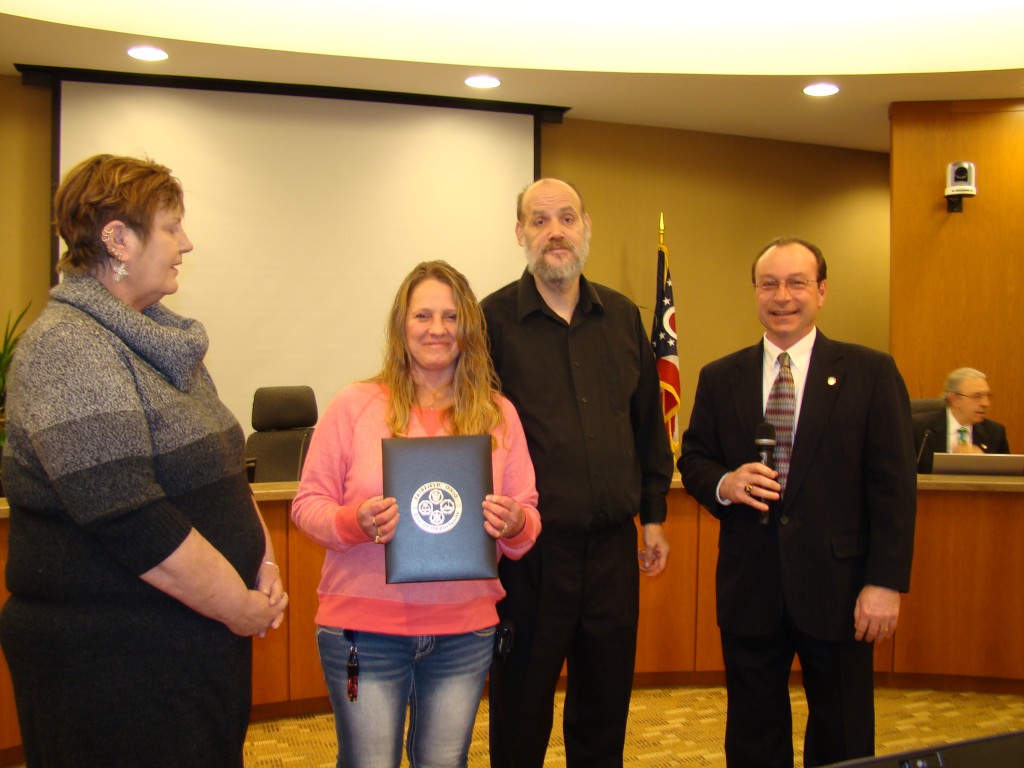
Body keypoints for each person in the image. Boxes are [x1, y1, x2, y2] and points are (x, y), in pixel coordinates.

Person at [0, 154, 288, 768]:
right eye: (172, 226)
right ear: (118, 239)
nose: (187, 243)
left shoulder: (158, 340)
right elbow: (129, 516)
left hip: (187, 651)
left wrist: (260, 558)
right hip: (115, 668)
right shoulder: (68, 349)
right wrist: (237, 606)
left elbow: (223, 473)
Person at [291, 260, 541, 768]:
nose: (437, 329)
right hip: (364, 631)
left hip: (464, 634)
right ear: (401, 326)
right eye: (423, 315)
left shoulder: (497, 414)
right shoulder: (353, 405)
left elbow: (528, 518)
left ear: (468, 327)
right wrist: (353, 522)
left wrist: (514, 523)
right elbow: (307, 505)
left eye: (451, 317)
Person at [679, 237, 917, 768]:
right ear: (755, 293)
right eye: (769, 284)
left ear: (822, 291)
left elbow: (894, 488)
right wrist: (726, 483)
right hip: (749, 587)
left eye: (796, 283)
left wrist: (884, 583)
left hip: (841, 590)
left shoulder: (871, 373)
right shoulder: (721, 377)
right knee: (753, 734)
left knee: (843, 732)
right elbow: (693, 459)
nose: (781, 296)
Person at [482, 178, 674, 768]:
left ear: (586, 227)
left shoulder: (621, 317)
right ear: (520, 234)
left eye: (567, 218)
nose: (555, 231)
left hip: (614, 552)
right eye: (540, 221)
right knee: (521, 710)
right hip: (530, 555)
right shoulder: (490, 322)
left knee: (604, 707)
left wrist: (654, 517)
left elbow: (646, 425)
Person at [912, 367, 1010, 473]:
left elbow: (1007, 479)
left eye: (987, 396)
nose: (985, 403)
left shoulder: (995, 432)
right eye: (977, 396)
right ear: (954, 399)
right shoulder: (919, 428)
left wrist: (983, 462)